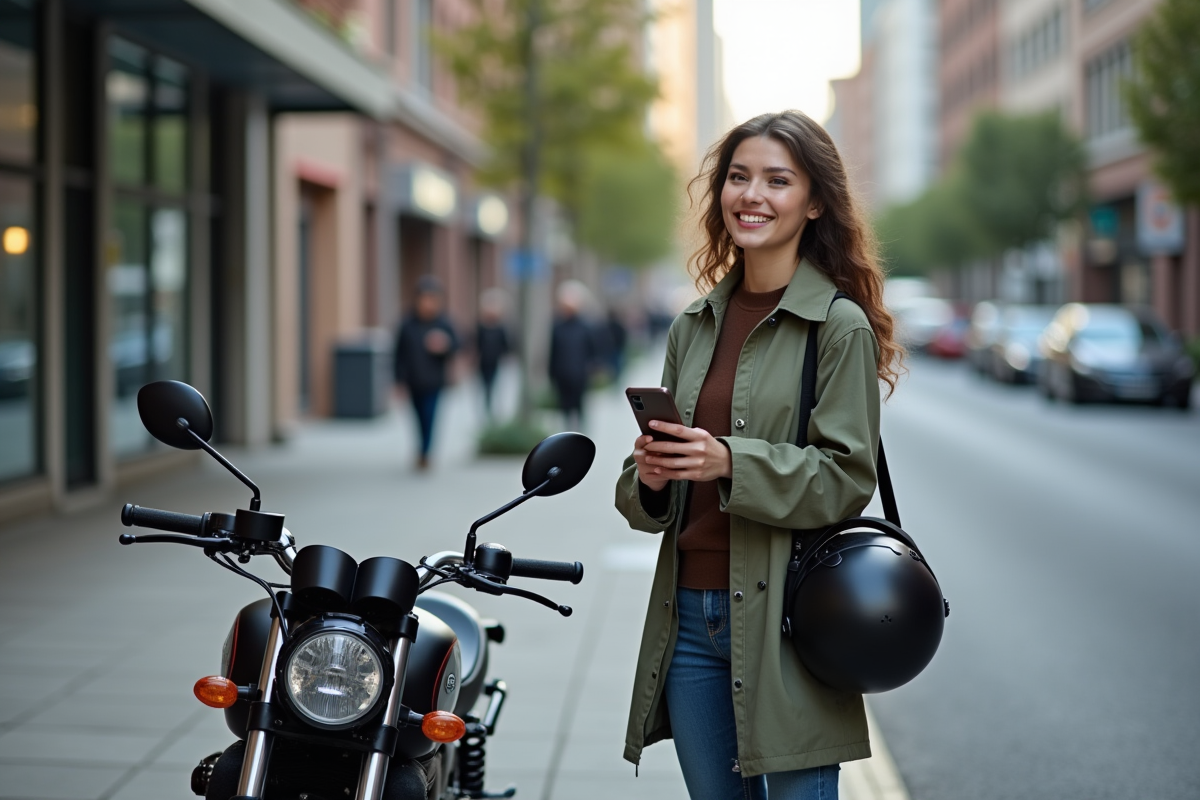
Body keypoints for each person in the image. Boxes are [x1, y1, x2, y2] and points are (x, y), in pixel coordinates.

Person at [613, 110, 904, 800]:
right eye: (739, 177)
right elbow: (645, 498)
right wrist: (653, 477)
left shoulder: (838, 327)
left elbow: (846, 478)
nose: (754, 195)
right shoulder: (694, 324)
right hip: (687, 623)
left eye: (779, 180)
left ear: (815, 202)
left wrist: (729, 464)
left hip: (790, 621)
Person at [393, 277, 460, 470]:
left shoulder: (443, 323)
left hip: (434, 381)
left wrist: (444, 345)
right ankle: (421, 449)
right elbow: (399, 354)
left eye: (433, 299)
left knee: (430, 416)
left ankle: (426, 452)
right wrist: (398, 381)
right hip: (413, 381)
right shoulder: (407, 324)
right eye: (425, 298)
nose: (428, 303)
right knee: (418, 417)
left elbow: (457, 345)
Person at [547, 280, 596, 431]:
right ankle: (567, 431)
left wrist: (591, 368)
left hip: (580, 373)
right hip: (562, 372)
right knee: (564, 405)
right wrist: (551, 372)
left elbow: (592, 349)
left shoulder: (585, 326)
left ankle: (580, 430)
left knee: (579, 403)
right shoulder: (557, 326)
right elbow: (553, 350)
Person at [475, 288, 511, 420]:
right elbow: (476, 342)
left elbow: (506, 345)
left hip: (495, 361)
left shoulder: (500, 327)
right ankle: (486, 408)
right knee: (485, 386)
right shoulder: (481, 326)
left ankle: (493, 408)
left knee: (494, 385)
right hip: (483, 361)